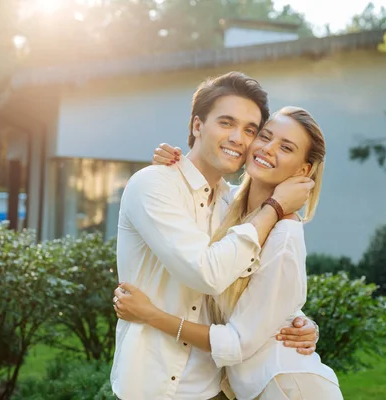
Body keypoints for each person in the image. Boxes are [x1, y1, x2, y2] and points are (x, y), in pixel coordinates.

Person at [111, 72, 319, 400]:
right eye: (226, 123)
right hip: (152, 386)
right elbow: (207, 274)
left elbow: (258, 285)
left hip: (215, 388)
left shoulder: (232, 205)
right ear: (197, 126)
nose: (239, 137)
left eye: (251, 130)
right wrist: (276, 206)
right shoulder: (154, 185)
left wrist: (297, 321)